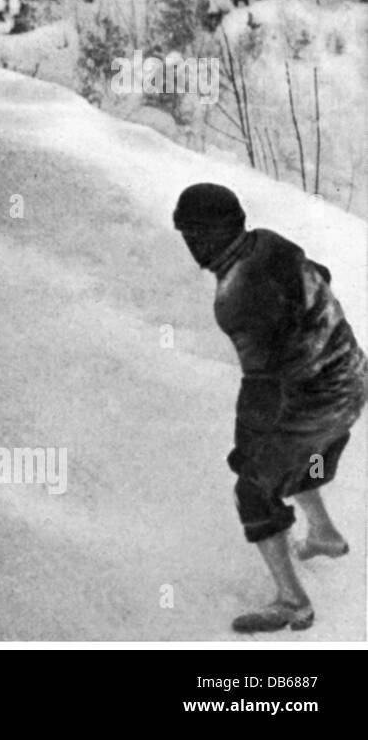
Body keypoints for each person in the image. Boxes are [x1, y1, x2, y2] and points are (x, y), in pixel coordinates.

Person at [173, 184, 367, 633]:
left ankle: (292, 602)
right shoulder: (269, 242)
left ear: (216, 233)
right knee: (301, 459)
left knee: (254, 488)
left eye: (196, 234)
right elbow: (321, 273)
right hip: (354, 377)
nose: (192, 245)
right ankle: (323, 533)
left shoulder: (236, 297)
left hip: (319, 398)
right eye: (187, 234)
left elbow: (262, 389)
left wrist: (247, 448)